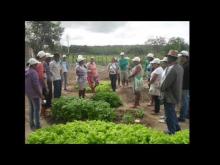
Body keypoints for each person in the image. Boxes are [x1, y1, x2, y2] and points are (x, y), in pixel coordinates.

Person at [160, 50, 183, 134]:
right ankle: (176, 127)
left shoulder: (172, 70)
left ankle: (171, 131)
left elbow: (165, 84)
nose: (167, 58)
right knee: (172, 112)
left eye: (168, 57)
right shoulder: (179, 67)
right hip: (175, 94)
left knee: (169, 114)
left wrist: (161, 88)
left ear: (171, 58)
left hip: (170, 95)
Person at [25, 58, 43, 130]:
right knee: (37, 109)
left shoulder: (26, 71)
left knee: (31, 108)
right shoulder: (34, 72)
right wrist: (40, 95)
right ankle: (37, 125)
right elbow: (36, 85)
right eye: (36, 64)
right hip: (35, 94)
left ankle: (31, 124)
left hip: (28, 93)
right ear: (33, 65)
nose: (37, 65)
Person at [178, 50, 189, 122]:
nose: (180, 58)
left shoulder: (186, 66)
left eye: (181, 57)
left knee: (184, 102)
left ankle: (182, 117)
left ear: (185, 57)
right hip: (185, 86)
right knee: (186, 101)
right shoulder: (185, 64)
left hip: (185, 86)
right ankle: (186, 115)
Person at [35, 51, 48, 117]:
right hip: (41, 85)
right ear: (42, 57)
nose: (45, 57)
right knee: (44, 98)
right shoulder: (40, 64)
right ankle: (43, 112)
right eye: (44, 56)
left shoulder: (35, 63)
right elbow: (41, 77)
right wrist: (45, 86)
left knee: (41, 98)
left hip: (37, 84)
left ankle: (42, 111)